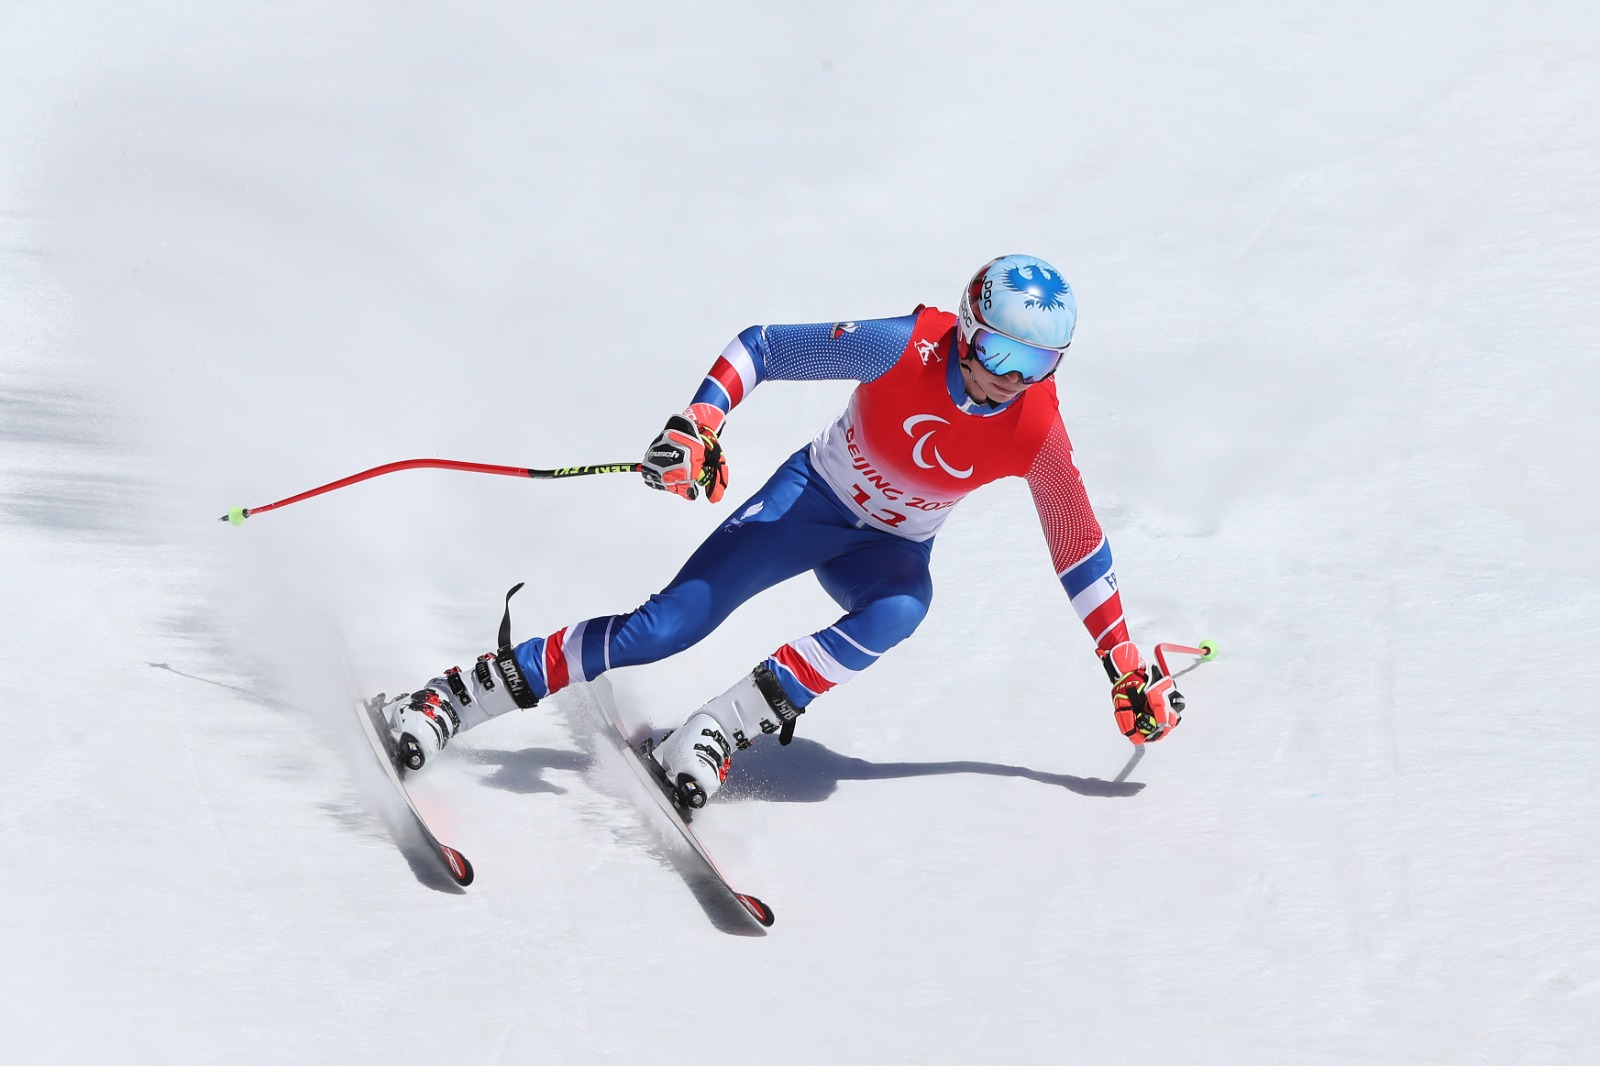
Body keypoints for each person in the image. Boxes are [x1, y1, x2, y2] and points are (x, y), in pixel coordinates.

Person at [384, 254, 1184, 809]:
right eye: (1002, 349)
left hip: (886, 552)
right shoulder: (904, 343)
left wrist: (1122, 663)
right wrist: (701, 421)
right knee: (663, 629)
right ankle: (453, 696)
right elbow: (762, 348)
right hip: (809, 504)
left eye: (1038, 362)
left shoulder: (1035, 428)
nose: (1012, 378)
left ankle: (715, 732)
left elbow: (1076, 540)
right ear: (968, 328)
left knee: (904, 606)